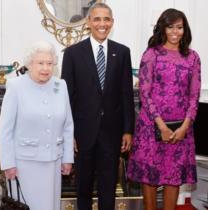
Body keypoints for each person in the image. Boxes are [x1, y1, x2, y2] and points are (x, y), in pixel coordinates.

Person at [61, 3, 134, 210]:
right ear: (88, 23)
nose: (102, 24)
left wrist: (128, 130)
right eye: (97, 19)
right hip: (83, 133)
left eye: (106, 19)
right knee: (82, 187)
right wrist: (69, 133)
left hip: (112, 132)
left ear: (112, 22)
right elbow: (66, 98)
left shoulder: (122, 52)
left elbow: (126, 94)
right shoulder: (73, 53)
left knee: (108, 187)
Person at [127, 8, 201, 210]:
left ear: (185, 29)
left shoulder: (193, 57)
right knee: (149, 175)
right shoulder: (151, 54)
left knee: (173, 175)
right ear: (163, 28)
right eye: (171, 27)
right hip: (151, 126)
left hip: (181, 129)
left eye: (180, 27)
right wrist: (161, 126)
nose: (175, 32)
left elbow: (194, 96)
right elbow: (145, 93)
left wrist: (185, 126)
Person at [0, 41, 74, 210]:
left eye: (49, 63)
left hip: (53, 162)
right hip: (23, 164)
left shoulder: (60, 85)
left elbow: (68, 125)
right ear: (29, 64)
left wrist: (67, 158)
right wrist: (8, 163)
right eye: (40, 63)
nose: (45, 68)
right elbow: (6, 129)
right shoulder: (15, 86)